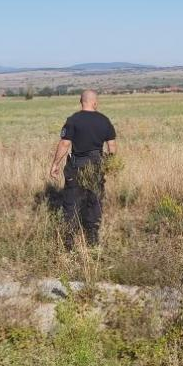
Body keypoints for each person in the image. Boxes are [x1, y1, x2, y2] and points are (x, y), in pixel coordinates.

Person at [49, 89, 117, 247]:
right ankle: (92, 238)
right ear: (95, 102)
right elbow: (112, 147)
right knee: (94, 201)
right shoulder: (104, 120)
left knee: (71, 202)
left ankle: (69, 242)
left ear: (81, 102)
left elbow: (65, 143)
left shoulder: (73, 120)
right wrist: (109, 164)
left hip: (76, 165)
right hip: (96, 165)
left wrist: (55, 164)